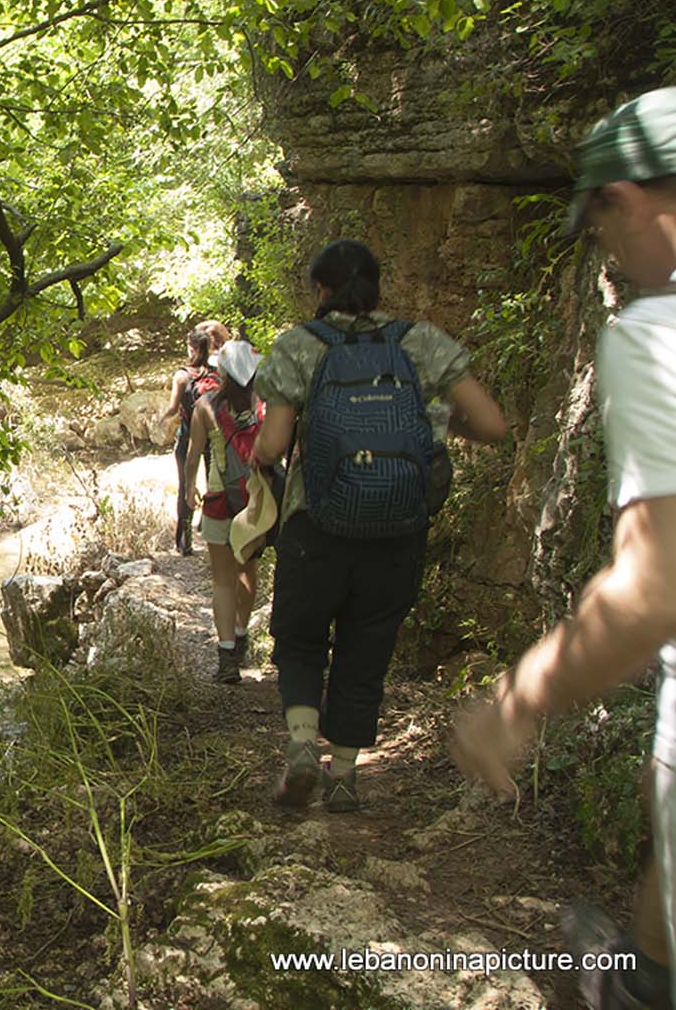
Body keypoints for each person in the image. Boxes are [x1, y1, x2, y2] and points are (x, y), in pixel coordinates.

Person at [452, 86, 676, 1010]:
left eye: (597, 227)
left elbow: (656, 587)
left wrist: (518, 699)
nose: (607, 257)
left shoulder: (655, 334)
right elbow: (498, 427)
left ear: (625, 199)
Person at [252, 239, 507, 812]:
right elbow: (493, 424)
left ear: (319, 291)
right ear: (377, 287)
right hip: (398, 528)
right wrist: (433, 423)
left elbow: (272, 444)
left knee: (300, 636)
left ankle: (300, 746)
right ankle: (344, 776)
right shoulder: (421, 342)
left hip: (315, 525)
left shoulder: (299, 346)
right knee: (367, 647)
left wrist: (262, 460)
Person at [185, 339, 264, 683]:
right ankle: (242, 633)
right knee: (247, 569)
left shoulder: (205, 405)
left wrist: (189, 487)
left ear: (222, 372)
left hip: (219, 500)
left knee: (221, 579)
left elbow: (193, 454)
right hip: (257, 501)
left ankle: (227, 656)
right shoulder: (265, 404)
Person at [159, 330, 217, 555]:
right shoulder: (218, 373)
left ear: (191, 347)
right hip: (213, 437)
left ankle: (184, 542)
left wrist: (161, 419)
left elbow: (174, 408)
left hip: (187, 437)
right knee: (215, 485)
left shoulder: (182, 375)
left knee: (186, 485)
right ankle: (211, 532)